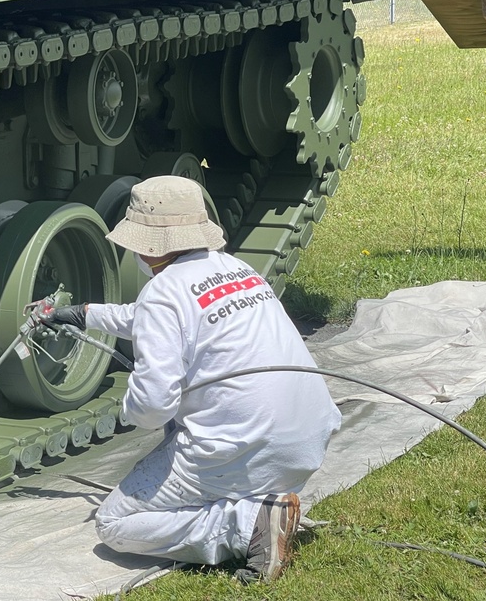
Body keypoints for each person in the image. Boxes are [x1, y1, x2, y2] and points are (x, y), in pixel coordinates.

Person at [44, 175, 342, 583]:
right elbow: (156, 317)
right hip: (306, 439)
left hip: (246, 448)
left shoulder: (162, 294)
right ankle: (255, 499)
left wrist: (129, 400)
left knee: (113, 524)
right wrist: (84, 314)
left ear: (145, 245)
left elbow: (151, 409)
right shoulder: (234, 268)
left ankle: (250, 525)